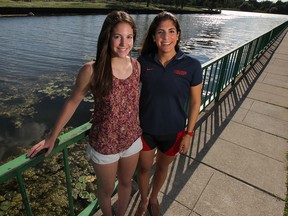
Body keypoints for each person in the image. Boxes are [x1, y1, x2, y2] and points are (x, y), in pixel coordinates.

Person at [27, 10, 142, 216]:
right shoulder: (92, 70)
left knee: (126, 183)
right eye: (117, 36)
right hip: (105, 144)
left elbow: (131, 102)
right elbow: (72, 102)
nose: (124, 43)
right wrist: (51, 137)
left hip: (132, 139)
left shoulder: (136, 66)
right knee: (106, 191)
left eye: (129, 37)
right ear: (107, 37)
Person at [135, 11, 202, 216]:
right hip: (145, 130)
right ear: (154, 37)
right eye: (161, 32)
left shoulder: (192, 65)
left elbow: (195, 102)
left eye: (171, 32)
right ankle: (143, 200)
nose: (166, 38)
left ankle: (154, 198)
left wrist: (189, 134)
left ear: (178, 35)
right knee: (144, 169)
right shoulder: (142, 62)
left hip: (173, 132)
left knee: (163, 168)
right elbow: (125, 92)